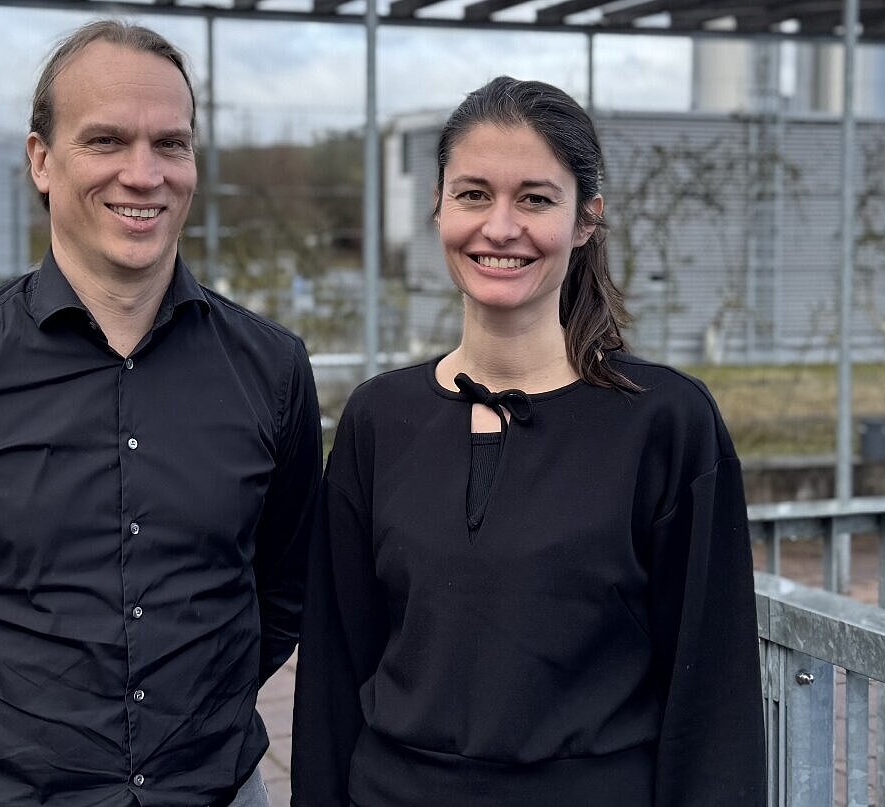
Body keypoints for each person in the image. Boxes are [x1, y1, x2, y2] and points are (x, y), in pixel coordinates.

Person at [0, 20, 318, 807]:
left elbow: (281, 591)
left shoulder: (273, 370)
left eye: (170, 144)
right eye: (107, 141)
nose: (143, 173)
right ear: (41, 161)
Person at [292, 76, 764, 807]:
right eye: (473, 194)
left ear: (585, 220)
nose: (500, 226)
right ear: (439, 208)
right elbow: (331, 673)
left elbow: (714, 697)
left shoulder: (665, 424)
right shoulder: (376, 419)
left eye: (535, 198)